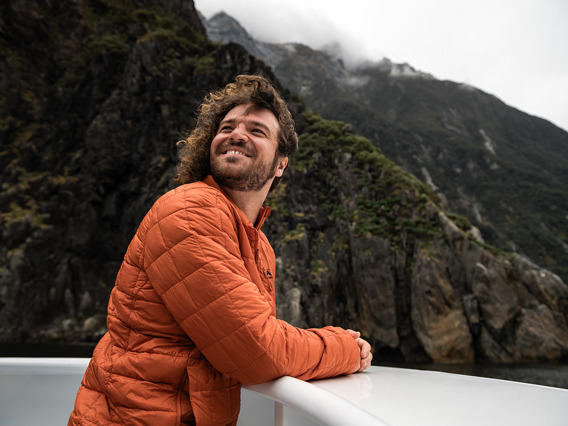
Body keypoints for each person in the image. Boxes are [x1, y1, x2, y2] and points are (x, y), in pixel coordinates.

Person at [69, 74, 372, 425]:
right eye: (227, 127)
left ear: (281, 164)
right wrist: (344, 348)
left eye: (257, 131)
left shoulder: (258, 246)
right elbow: (256, 349)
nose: (237, 134)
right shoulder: (188, 212)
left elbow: (243, 331)